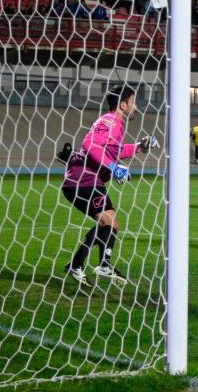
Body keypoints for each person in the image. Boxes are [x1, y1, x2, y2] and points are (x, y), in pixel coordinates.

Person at [61, 85, 160, 287]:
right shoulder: (111, 121)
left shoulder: (114, 123)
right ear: (123, 105)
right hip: (82, 181)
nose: (137, 107)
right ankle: (102, 265)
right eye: (133, 102)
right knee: (110, 222)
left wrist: (140, 148)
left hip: (87, 181)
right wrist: (114, 168)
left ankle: (77, 265)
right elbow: (91, 145)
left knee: (110, 223)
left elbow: (114, 150)